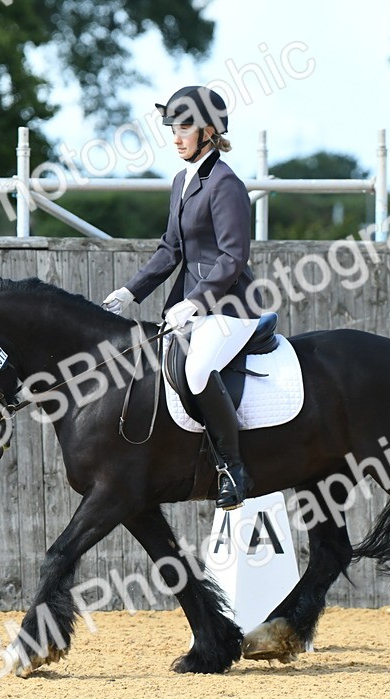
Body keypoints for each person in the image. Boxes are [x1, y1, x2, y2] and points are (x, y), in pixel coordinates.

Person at [102, 85, 267, 510]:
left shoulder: (226, 183)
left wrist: (196, 300)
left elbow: (233, 256)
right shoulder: (182, 181)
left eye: (185, 127)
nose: (176, 136)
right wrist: (129, 292)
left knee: (196, 372)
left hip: (231, 306)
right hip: (190, 308)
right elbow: (170, 250)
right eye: (173, 128)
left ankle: (234, 470)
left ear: (210, 131)